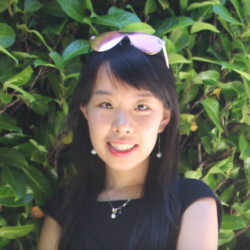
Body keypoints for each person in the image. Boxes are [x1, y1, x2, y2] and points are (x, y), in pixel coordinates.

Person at [38, 31, 223, 250]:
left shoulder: (193, 202)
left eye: (141, 107)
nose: (122, 125)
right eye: (106, 105)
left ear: (163, 118)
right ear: (85, 111)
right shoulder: (62, 213)